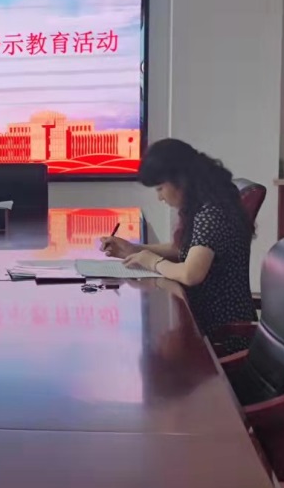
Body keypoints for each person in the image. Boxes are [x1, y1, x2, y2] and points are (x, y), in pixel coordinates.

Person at [99, 138, 256, 355]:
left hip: (221, 333)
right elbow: (183, 250)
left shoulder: (212, 213)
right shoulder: (205, 202)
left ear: (181, 180)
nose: (160, 197)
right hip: (203, 320)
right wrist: (135, 250)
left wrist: (152, 261)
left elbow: (191, 274)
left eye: (160, 188)